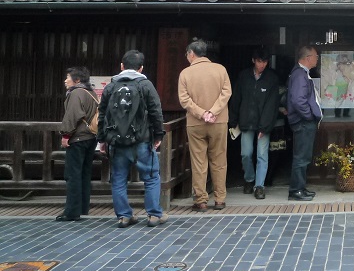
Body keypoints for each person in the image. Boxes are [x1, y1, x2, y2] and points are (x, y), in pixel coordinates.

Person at [97, 50, 166, 228]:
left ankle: (124, 216)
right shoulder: (146, 85)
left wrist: (102, 139)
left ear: (122, 66)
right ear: (141, 68)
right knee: (151, 176)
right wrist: (158, 135)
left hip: (117, 141)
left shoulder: (111, 86)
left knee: (118, 179)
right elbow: (156, 112)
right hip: (142, 140)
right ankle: (153, 214)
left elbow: (102, 114)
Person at [179, 39, 232, 212]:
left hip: (196, 123)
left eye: (187, 54)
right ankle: (220, 199)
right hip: (218, 121)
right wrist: (213, 112)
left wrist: (202, 113)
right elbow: (226, 93)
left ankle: (201, 200)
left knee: (198, 162)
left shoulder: (185, 73)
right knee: (219, 160)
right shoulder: (220, 69)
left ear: (192, 54)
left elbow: (184, 99)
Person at [229, 47, 282, 199]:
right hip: (246, 121)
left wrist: (265, 127)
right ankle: (249, 179)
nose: (262, 64)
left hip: (264, 123)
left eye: (264, 61)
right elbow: (236, 98)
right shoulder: (244, 76)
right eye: (259, 61)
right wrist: (233, 120)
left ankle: (259, 186)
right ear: (253, 61)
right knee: (246, 154)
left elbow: (272, 105)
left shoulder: (272, 79)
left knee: (262, 155)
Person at [57, 66, 99, 221]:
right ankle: (82, 207)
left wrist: (65, 135)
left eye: (68, 77)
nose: (65, 80)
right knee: (84, 174)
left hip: (78, 138)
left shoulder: (76, 93)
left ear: (77, 80)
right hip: (91, 137)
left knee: (72, 174)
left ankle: (72, 211)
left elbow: (73, 115)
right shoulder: (92, 93)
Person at [287, 45, 322, 201]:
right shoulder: (300, 75)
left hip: (303, 122)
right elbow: (298, 100)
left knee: (303, 156)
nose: (317, 59)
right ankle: (296, 190)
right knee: (301, 157)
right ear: (308, 58)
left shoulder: (301, 73)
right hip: (302, 122)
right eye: (316, 56)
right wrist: (309, 116)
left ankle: (300, 187)